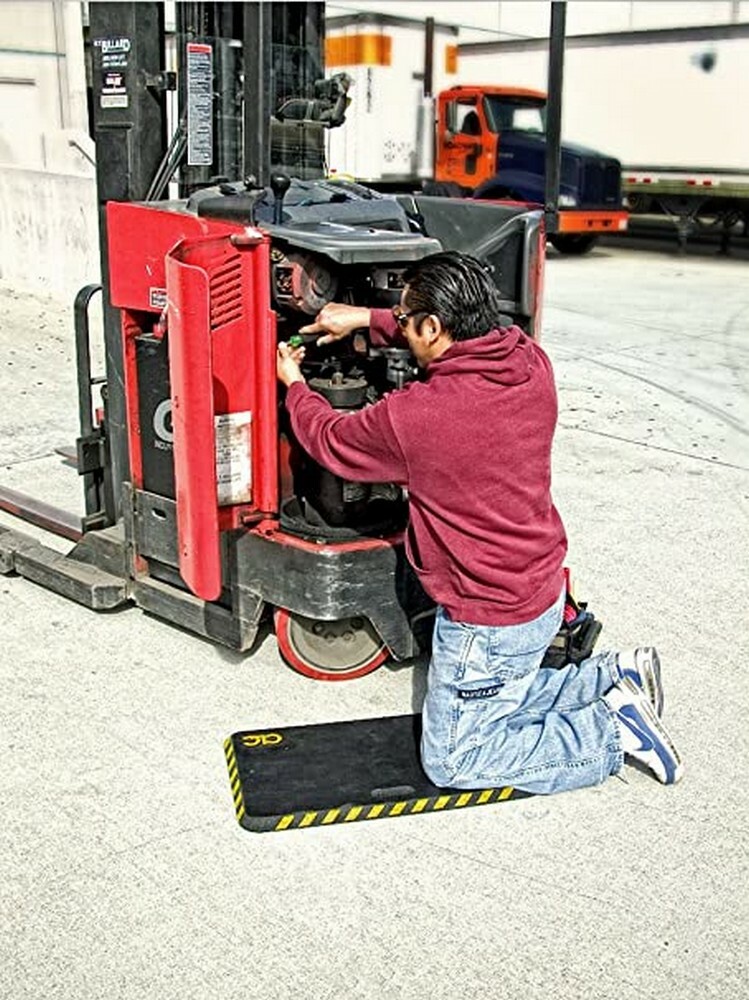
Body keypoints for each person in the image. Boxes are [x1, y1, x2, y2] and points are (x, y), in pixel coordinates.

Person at [276, 251, 683, 793]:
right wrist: (365, 318)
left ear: (432, 327)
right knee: (505, 697)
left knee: (456, 760)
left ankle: (612, 731)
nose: (400, 326)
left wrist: (294, 385)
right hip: (539, 585)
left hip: (487, 621)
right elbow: (452, 340)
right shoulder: (529, 360)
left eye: (405, 319)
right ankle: (616, 675)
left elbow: (331, 440)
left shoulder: (418, 417)